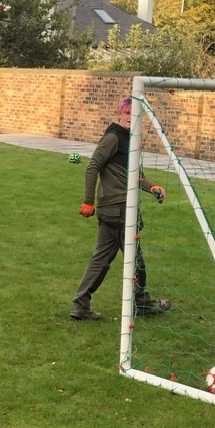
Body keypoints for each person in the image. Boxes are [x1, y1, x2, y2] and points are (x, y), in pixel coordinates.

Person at [70, 96, 171, 321]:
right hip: (119, 209)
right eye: (127, 114)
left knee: (102, 259)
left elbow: (135, 175)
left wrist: (152, 187)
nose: (130, 118)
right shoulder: (114, 137)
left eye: (135, 115)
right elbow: (92, 167)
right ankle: (142, 304)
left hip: (117, 210)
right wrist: (88, 201)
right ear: (119, 115)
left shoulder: (129, 139)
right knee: (136, 262)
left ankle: (80, 305)